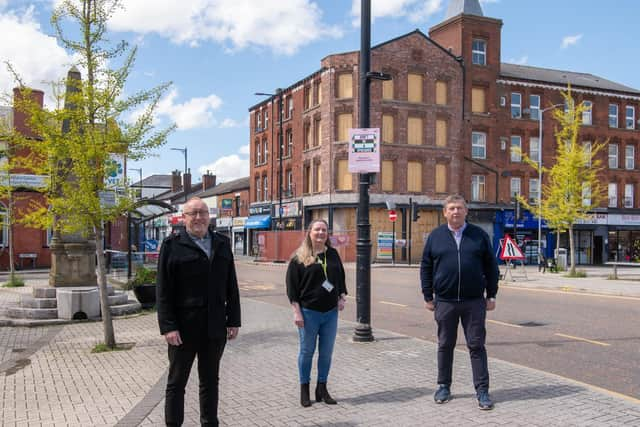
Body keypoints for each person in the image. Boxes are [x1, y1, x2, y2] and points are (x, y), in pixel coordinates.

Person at [157, 197, 241, 426]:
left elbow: (230, 284)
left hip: (214, 327)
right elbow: (163, 290)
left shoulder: (222, 243)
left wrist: (233, 319)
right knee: (176, 382)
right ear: (184, 218)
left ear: (209, 216)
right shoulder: (172, 245)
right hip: (183, 328)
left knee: (210, 381)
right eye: (192, 213)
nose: (198, 218)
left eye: (202, 212)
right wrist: (168, 326)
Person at [420, 195, 499, 410]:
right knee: (445, 345)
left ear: (466, 211)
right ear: (445, 212)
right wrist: (428, 296)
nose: (456, 212)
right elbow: (426, 267)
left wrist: (491, 295)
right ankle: (444, 386)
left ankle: (482, 391)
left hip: (474, 301)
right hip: (445, 302)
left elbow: (491, 267)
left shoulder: (479, 235)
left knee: (476, 345)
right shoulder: (436, 237)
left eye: (460, 208)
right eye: (451, 208)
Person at [286, 219, 347, 408]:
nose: (321, 233)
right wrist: (297, 313)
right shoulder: (299, 257)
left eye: (324, 230)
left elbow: (340, 279)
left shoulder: (333, 254)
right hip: (308, 312)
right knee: (307, 352)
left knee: (326, 353)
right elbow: (292, 288)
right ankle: (304, 389)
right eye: (317, 229)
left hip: (330, 313)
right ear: (309, 232)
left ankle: (322, 388)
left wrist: (342, 297)